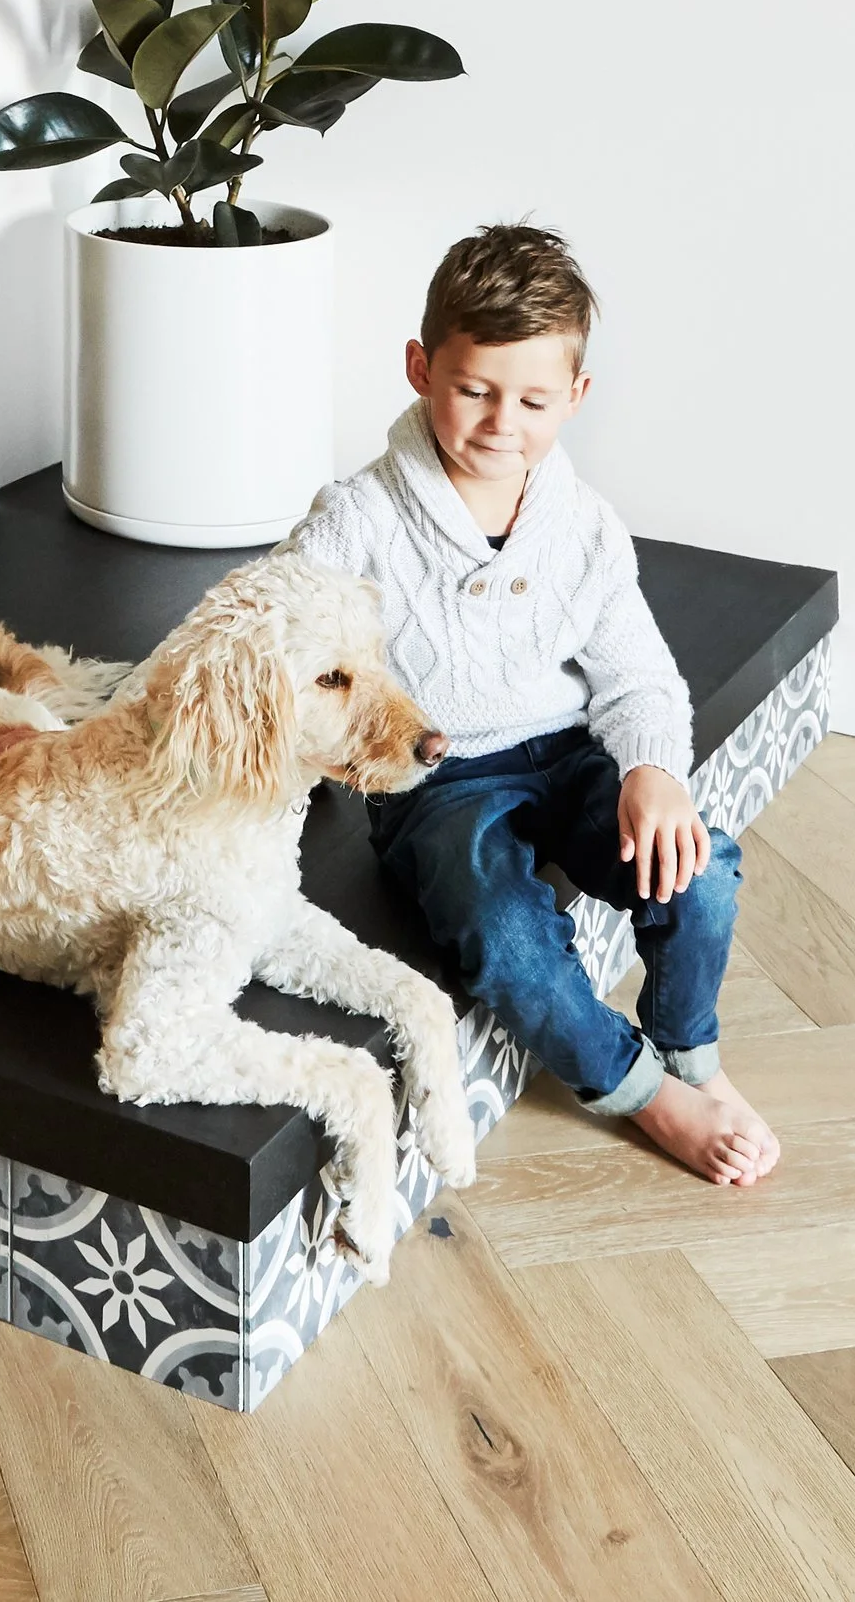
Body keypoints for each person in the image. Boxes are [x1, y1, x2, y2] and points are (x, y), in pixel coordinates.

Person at [287, 221, 779, 1186]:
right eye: (473, 389)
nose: (500, 422)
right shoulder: (361, 516)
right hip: (436, 779)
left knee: (702, 866)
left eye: (533, 399)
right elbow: (281, 627)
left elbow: (638, 674)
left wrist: (649, 770)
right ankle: (639, 1091)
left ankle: (689, 1054)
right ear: (421, 368)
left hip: (566, 754)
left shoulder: (583, 527)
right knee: (507, 935)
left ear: (576, 398)